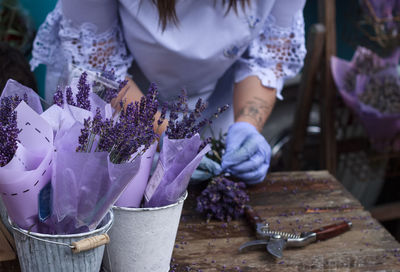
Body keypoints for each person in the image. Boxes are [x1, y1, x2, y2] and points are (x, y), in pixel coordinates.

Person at [30, 0, 307, 185]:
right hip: (121, 105)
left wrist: (247, 126)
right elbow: (102, 68)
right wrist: (170, 138)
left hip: (217, 103)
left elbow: (267, 58)